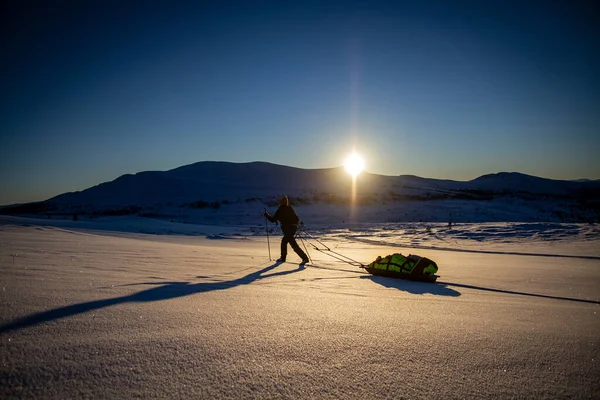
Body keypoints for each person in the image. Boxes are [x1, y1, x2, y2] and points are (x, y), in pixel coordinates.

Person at [264, 196, 309, 264]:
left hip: (287, 229)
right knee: (285, 242)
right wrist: (294, 225)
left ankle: (304, 258)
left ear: (281, 202)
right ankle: (284, 257)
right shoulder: (290, 208)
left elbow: (273, 220)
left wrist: (266, 215)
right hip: (293, 228)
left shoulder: (280, 210)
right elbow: (297, 218)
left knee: (292, 244)